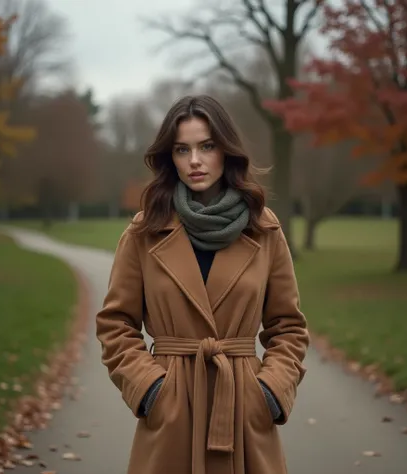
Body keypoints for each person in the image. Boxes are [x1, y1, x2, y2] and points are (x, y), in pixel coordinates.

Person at [96, 95, 309, 474]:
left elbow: (288, 327)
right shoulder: (145, 230)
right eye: (182, 149)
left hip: (244, 410)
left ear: (226, 150)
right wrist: (150, 390)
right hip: (171, 415)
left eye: (207, 146)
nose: (195, 160)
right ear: (170, 157)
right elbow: (116, 325)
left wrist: (270, 393)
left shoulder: (264, 228)